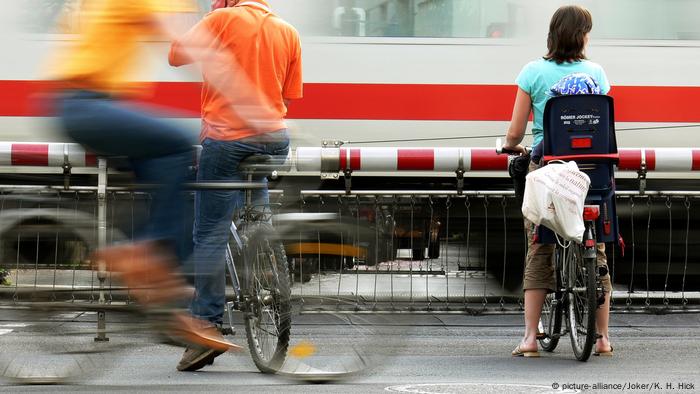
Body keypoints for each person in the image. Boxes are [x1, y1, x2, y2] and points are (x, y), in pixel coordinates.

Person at [49, 0, 238, 354]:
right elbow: (185, 46)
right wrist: (249, 103)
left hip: (91, 106)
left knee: (167, 176)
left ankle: (162, 292)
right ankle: (142, 258)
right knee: (180, 145)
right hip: (86, 104)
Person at [169, 0, 302, 371]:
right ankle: (264, 249)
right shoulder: (287, 30)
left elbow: (175, 55)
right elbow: (288, 96)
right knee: (256, 209)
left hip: (226, 139)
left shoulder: (221, 18)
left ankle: (206, 326)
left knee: (209, 231)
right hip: (274, 139)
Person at [501, 5, 613, 358]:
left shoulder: (532, 71)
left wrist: (511, 145)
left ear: (552, 34)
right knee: (597, 250)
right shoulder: (596, 72)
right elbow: (605, 125)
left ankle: (531, 339)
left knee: (540, 247)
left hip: (548, 170)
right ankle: (603, 339)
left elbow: (516, 131)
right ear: (581, 36)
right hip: (592, 171)